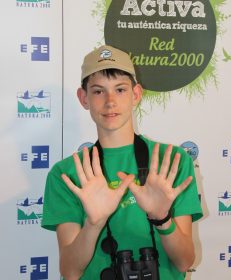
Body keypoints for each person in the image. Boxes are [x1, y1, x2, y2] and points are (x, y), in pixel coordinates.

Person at [41, 45, 203, 280]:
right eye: (98, 91)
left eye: (120, 90)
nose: (110, 102)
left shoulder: (172, 161)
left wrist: (162, 218)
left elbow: (185, 261)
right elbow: (70, 271)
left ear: (136, 94)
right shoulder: (66, 174)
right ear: (83, 98)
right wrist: (94, 224)